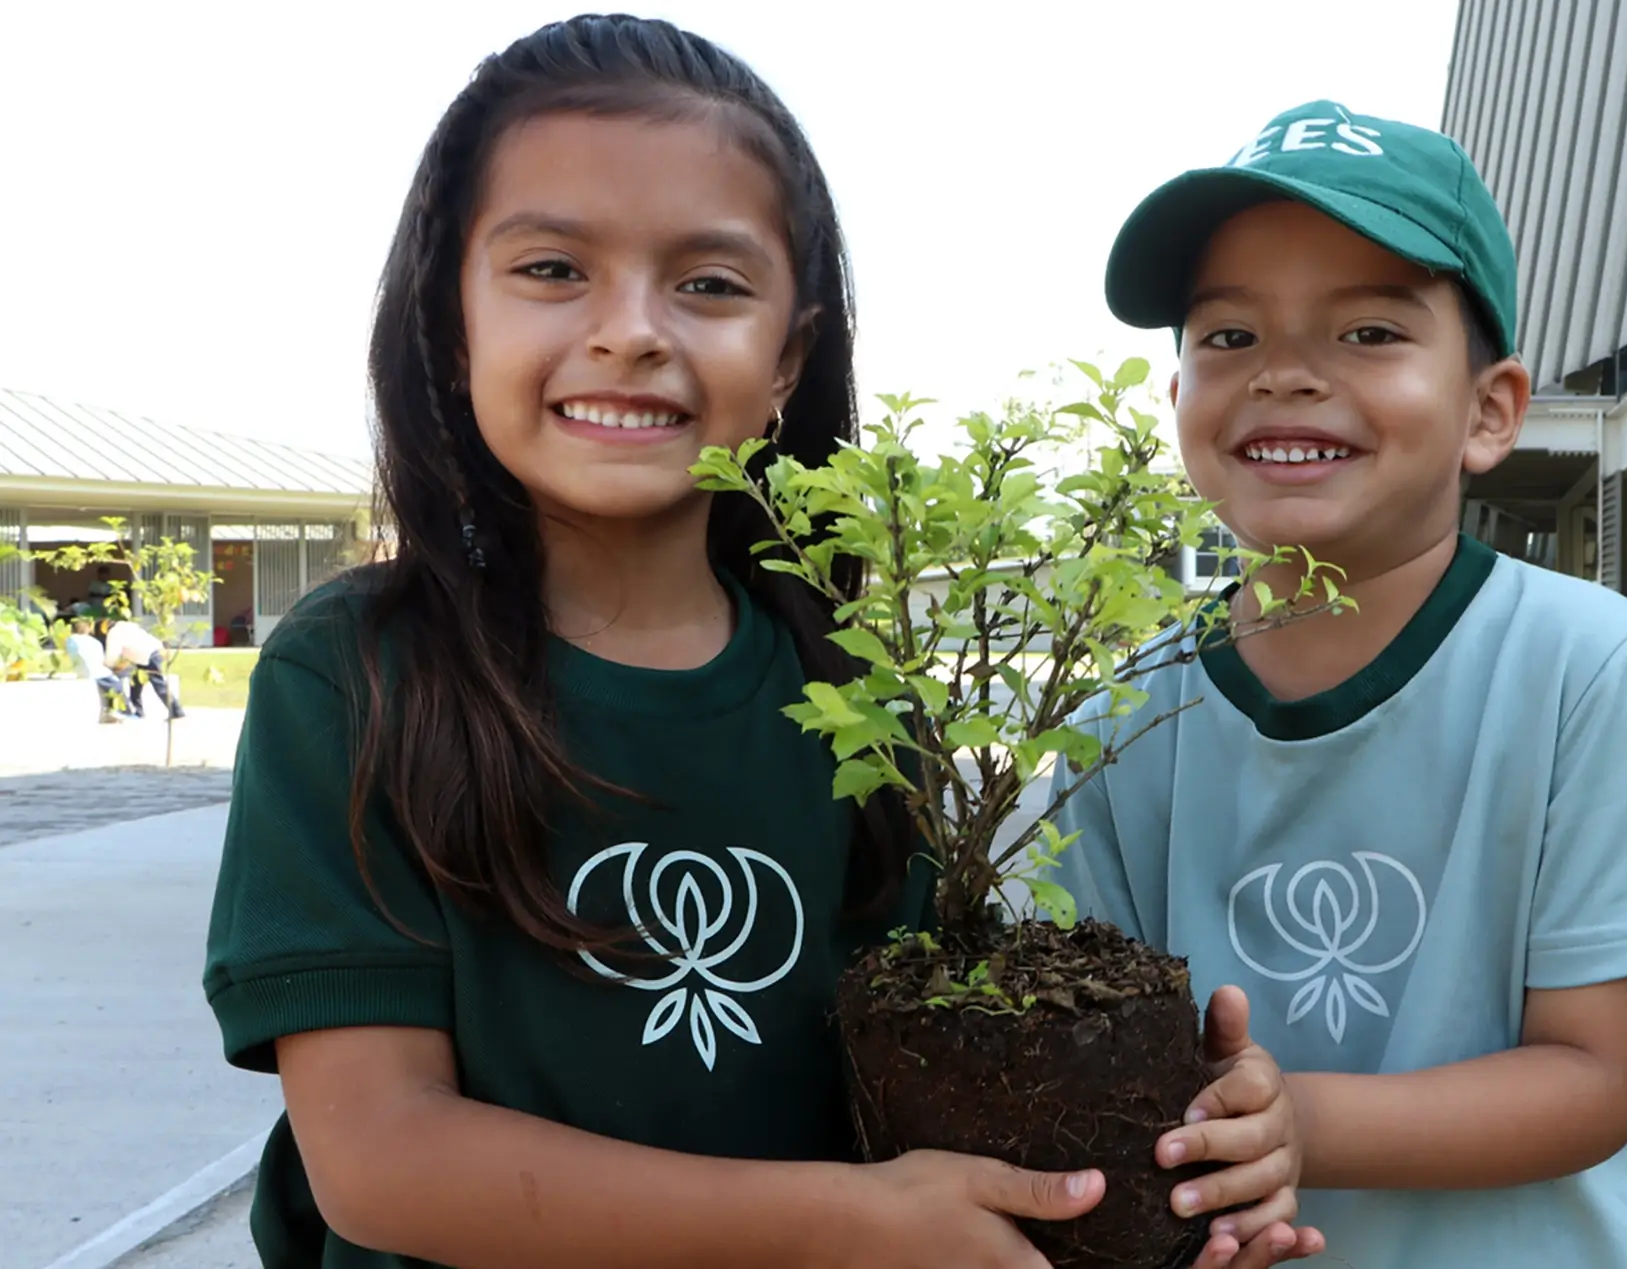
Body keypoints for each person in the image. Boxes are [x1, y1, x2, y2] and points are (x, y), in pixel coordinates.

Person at [201, 18, 1308, 1269]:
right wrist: (849, 1225)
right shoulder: (357, 675)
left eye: (709, 284)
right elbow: (380, 1161)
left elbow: (937, 1058)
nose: (630, 330)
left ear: (787, 358)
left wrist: (1182, 1135)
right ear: (451, 324)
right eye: (553, 269)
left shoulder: (852, 686)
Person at [1048, 100, 1627, 1268]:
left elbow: (1595, 1078)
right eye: (1227, 337)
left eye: (1370, 333)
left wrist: (1302, 1126)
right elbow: (1071, 1055)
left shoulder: (1587, 666)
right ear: (1175, 402)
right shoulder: (1123, 721)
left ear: (1491, 411)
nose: (1285, 375)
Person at [102, 615, 184, 720]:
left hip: (148, 657)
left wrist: (106, 665)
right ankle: (138, 712)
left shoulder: (114, 633)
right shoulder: (128, 626)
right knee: (135, 684)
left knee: (159, 684)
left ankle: (177, 711)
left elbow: (112, 656)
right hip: (152, 653)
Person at [65, 617, 133, 723]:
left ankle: (110, 712)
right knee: (118, 686)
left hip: (82, 672)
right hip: (98, 673)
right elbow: (102, 661)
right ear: (88, 629)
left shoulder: (70, 640)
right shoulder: (94, 642)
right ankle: (124, 712)